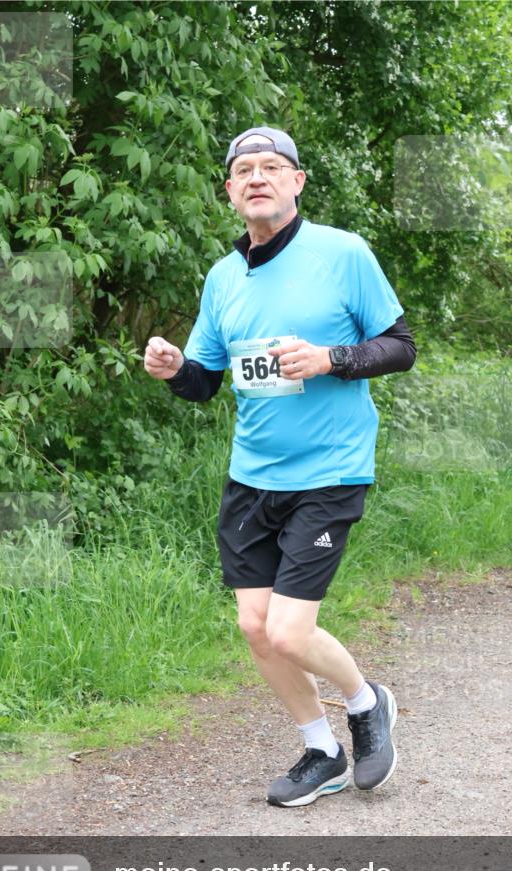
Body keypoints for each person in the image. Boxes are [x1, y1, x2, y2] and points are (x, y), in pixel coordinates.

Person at [144, 126, 416, 807]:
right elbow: (207, 380)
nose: (257, 177)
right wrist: (176, 369)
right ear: (230, 191)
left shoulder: (342, 253)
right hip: (252, 478)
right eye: (244, 170)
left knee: (289, 629)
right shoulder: (223, 277)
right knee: (252, 627)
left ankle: (365, 702)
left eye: (272, 167)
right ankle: (321, 751)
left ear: (296, 182)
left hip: (328, 472)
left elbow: (401, 346)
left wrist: (332, 358)